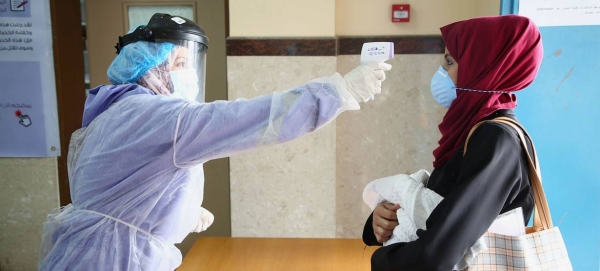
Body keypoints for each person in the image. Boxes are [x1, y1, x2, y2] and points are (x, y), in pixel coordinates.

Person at [38, 13, 391, 271]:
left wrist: (174, 211)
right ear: (148, 66)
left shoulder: (116, 112)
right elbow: (251, 119)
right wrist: (340, 92)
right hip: (114, 261)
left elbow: (124, 188)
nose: (188, 73)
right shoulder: (158, 116)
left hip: (86, 254)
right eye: (178, 63)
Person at [362, 15, 543, 270]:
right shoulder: (476, 130)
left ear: (482, 67)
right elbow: (442, 208)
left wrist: (382, 259)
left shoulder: (496, 139)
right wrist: (381, 220)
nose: (441, 72)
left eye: (449, 62)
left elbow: (438, 252)